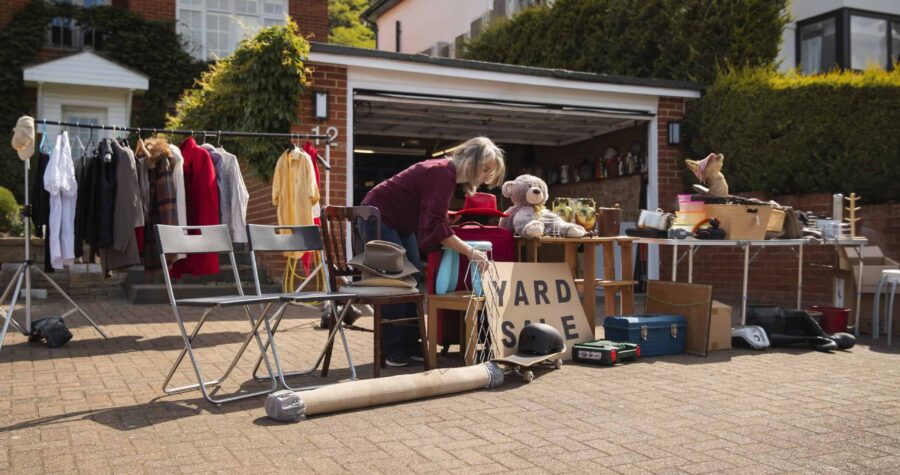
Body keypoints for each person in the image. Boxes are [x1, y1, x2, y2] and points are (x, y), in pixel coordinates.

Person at [360, 136, 506, 367]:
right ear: (470, 160)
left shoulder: (445, 174)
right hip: (380, 217)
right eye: (486, 169)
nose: (488, 176)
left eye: (491, 171)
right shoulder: (442, 173)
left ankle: (409, 344)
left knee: (413, 277)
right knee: (396, 282)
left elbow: (429, 212)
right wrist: (471, 252)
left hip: (397, 220)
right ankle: (394, 350)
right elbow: (435, 226)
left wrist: (445, 219)